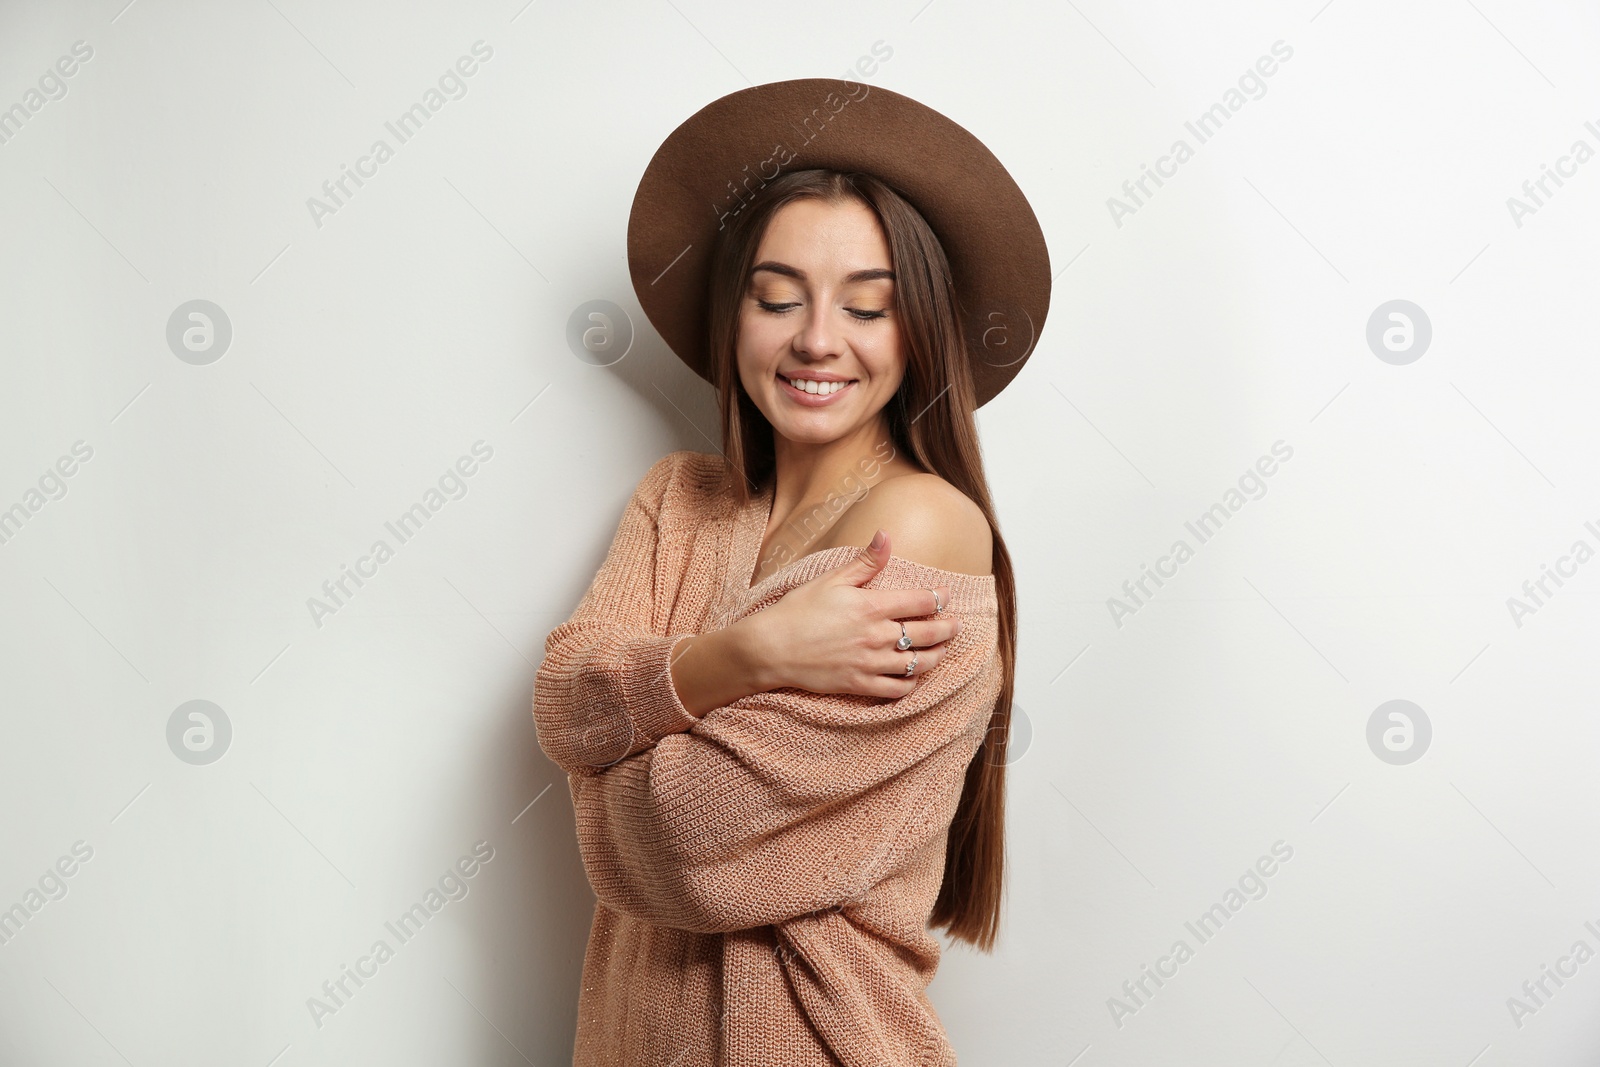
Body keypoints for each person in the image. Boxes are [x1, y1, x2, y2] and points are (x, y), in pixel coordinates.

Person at [534, 79, 1051, 1066]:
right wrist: (748, 651)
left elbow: (679, 844)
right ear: (734, 313)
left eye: (867, 305)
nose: (817, 338)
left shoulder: (920, 525)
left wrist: (616, 743)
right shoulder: (678, 497)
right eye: (779, 297)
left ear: (919, 330)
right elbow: (560, 702)